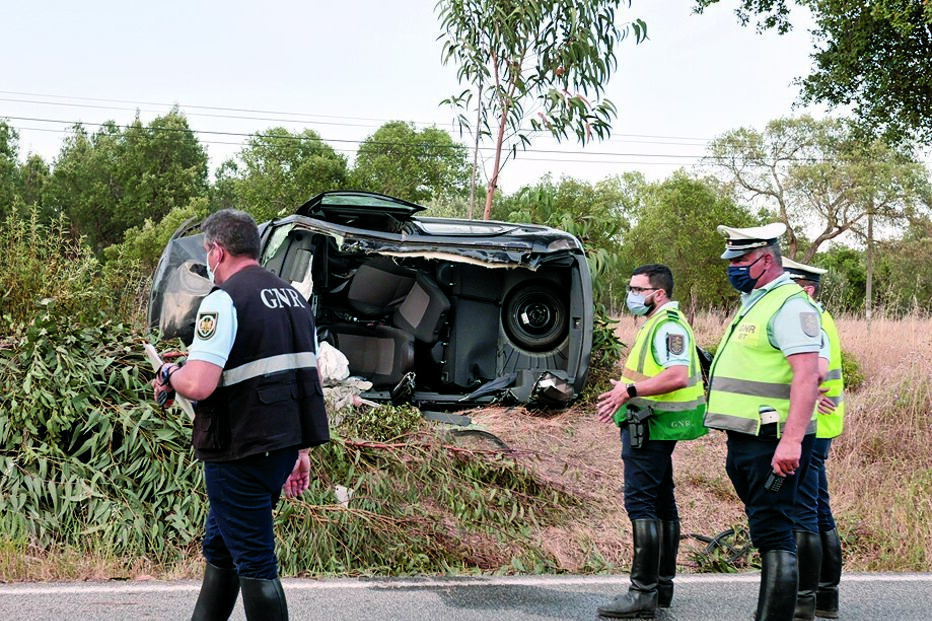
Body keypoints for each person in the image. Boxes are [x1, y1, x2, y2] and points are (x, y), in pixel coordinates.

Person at [152, 209, 330, 621]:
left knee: (255, 561)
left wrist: (169, 373)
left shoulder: (224, 300)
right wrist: (301, 449)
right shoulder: (293, 299)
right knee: (221, 547)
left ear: (217, 250)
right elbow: (304, 378)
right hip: (279, 448)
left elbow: (199, 384)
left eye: (206, 253)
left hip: (240, 450)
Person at [704, 223, 822, 621]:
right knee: (767, 527)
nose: (733, 267)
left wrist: (791, 442)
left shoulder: (791, 305)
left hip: (771, 440)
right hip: (745, 438)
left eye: (740, 260)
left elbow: (808, 376)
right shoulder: (756, 300)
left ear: (766, 259)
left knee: (775, 533)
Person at [595, 264, 708, 619]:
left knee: (641, 502)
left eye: (637, 289)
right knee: (661, 502)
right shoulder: (658, 323)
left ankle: (643, 592)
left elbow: (676, 376)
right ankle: (661, 587)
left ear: (658, 294)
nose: (631, 294)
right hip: (655, 423)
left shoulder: (669, 326)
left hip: (651, 424)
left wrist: (628, 390)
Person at [783, 257, 845, 620]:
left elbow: (814, 375)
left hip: (813, 426)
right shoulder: (821, 318)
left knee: (804, 511)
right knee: (819, 509)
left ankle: (804, 599)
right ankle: (825, 597)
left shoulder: (811, 321)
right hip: (823, 424)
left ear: (806, 288)